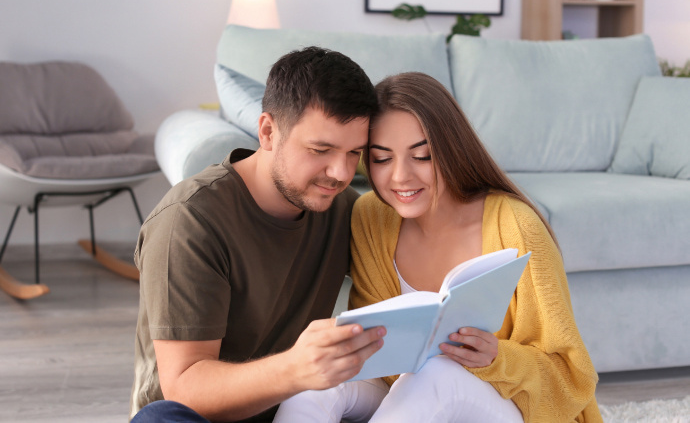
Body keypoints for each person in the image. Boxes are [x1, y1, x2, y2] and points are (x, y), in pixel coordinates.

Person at [274, 72, 603, 422]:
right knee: (317, 382)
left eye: (423, 156)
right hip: (408, 396)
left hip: (507, 405)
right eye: (382, 158)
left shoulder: (515, 225)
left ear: (451, 150)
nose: (400, 176)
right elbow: (379, 359)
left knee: (438, 373)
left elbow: (570, 377)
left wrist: (497, 359)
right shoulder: (372, 216)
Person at [129, 46, 387, 423]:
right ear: (267, 131)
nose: (340, 173)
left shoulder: (344, 208)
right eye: (321, 149)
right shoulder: (189, 222)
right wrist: (297, 368)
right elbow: (185, 389)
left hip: (297, 410)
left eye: (354, 153)